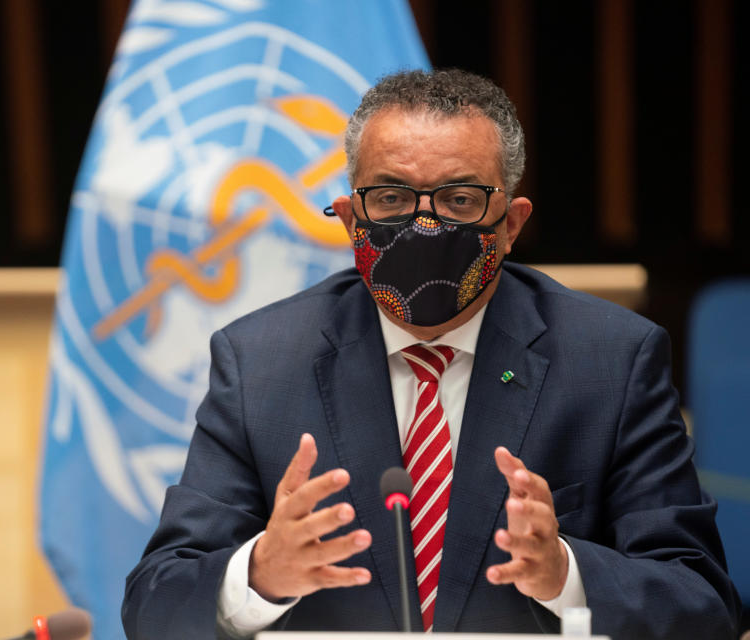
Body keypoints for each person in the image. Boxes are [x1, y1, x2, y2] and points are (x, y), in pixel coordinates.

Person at [122, 69, 741, 639]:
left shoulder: (611, 359)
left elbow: (703, 602)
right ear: (346, 217)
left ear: (511, 223)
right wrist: (259, 574)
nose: (423, 225)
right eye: (390, 198)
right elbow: (153, 604)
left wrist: (566, 574)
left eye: (458, 200)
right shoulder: (260, 362)